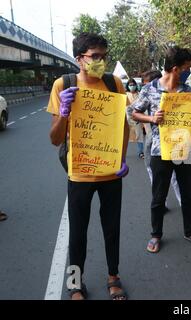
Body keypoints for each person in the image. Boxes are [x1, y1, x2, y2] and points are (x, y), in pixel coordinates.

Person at [47, 33, 129, 300]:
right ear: (79, 59)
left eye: (104, 56)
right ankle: (74, 283)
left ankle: (113, 277)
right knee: (77, 234)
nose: (101, 61)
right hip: (80, 174)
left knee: (112, 229)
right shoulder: (64, 85)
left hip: (110, 174)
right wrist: (64, 114)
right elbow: (55, 139)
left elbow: (123, 127)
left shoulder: (114, 83)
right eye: (95, 57)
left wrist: (122, 158)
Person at [132, 47, 191, 253]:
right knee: (159, 196)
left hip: (184, 151)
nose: (188, 71)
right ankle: (156, 235)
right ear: (175, 69)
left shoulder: (189, 92)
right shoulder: (150, 89)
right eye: (187, 68)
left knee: (188, 195)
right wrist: (151, 118)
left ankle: (190, 231)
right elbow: (134, 113)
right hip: (159, 152)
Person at [126, 78, 145, 159]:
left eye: (133, 85)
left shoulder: (140, 94)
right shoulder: (124, 94)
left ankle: (141, 152)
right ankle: (121, 153)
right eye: (130, 85)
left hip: (137, 118)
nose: (132, 86)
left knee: (139, 135)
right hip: (127, 119)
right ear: (127, 86)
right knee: (125, 136)